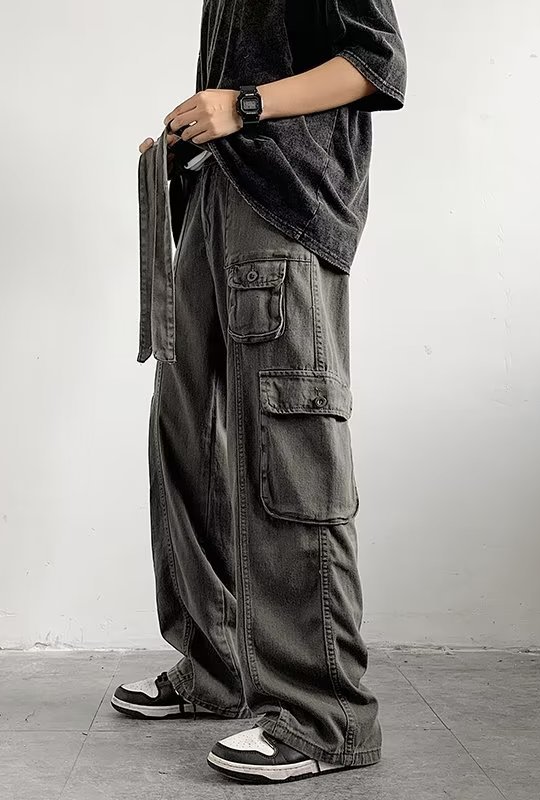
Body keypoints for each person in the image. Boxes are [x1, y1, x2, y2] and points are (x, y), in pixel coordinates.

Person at [112, 0, 407, 785]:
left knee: (289, 445)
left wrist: (241, 106)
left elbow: (377, 62)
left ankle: (326, 715)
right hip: (217, 199)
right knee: (187, 432)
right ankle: (218, 668)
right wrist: (189, 144)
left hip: (286, 209)